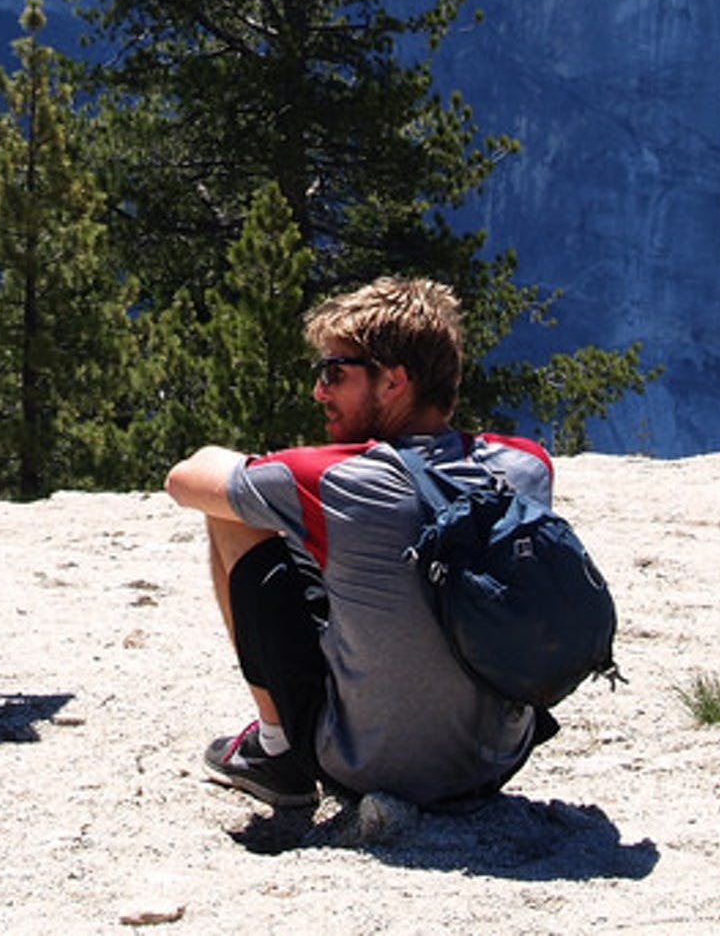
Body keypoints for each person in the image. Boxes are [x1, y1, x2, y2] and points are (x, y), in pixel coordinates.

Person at [165, 277, 557, 810]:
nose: (318, 391)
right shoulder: (527, 464)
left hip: (370, 768)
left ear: (394, 382)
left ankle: (276, 751)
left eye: (334, 372)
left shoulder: (336, 478)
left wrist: (232, 457)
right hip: (499, 758)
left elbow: (184, 481)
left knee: (231, 518)